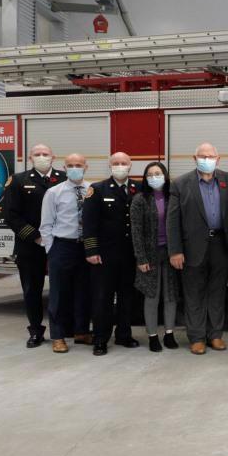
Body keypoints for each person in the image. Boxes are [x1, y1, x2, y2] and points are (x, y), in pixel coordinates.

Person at [167, 142, 228, 355]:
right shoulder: (181, 184)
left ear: (218, 160)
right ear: (194, 158)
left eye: (211, 156)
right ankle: (197, 337)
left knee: (217, 292)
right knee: (193, 293)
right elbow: (173, 221)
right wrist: (175, 250)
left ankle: (215, 335)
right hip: (192, 248)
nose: (206, 159)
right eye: (202, 156)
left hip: (221, 244)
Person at [4, 143, 66, 348]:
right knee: (32, 289)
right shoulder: (18, 181)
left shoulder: (64, 179)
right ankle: (36, 330)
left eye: (45, 154)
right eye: (37, 154)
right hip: (30, 245)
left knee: (62, 289)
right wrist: (36, 237)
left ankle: (63, 328)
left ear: (53, 157)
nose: (42, 157)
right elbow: (11, 215)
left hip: (59, 243)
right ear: (30, 158)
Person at [82, 151, 140, 356]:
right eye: (116, 163)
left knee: (127, 297)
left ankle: (124, 334)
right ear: (110, 166)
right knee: (102, 298)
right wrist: (91, 250)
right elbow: (88, 223)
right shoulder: (97, 189)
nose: (120, 165)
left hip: (129, 255)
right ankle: (100, 338)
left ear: (130, 165)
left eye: (124, 162)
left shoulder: (138, 189)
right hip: (104, 255)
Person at [38, 153, 93, 353]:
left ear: (86, 167)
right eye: (70, 165)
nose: (74, 168)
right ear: (64, 167)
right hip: (62, 246)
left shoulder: (92, 190)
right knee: (59, 294)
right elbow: (45, 225)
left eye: (78, 164)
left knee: (84, 291)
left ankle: (81, 331)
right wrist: (51, 250)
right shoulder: (54, 192)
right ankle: (58, 336)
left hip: (85, 247)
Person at [130, 162, 181, 353]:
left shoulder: (173, 197)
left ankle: (169, 333)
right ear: (145, 178)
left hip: (171, 254)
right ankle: (152, 336)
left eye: (157, 173)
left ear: (165, 175)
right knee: (152, 296)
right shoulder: (140, 199)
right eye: (149, 174)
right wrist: (141, 258)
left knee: (170, 296)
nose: (154, 177)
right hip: (149, 255)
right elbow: (136, 231)